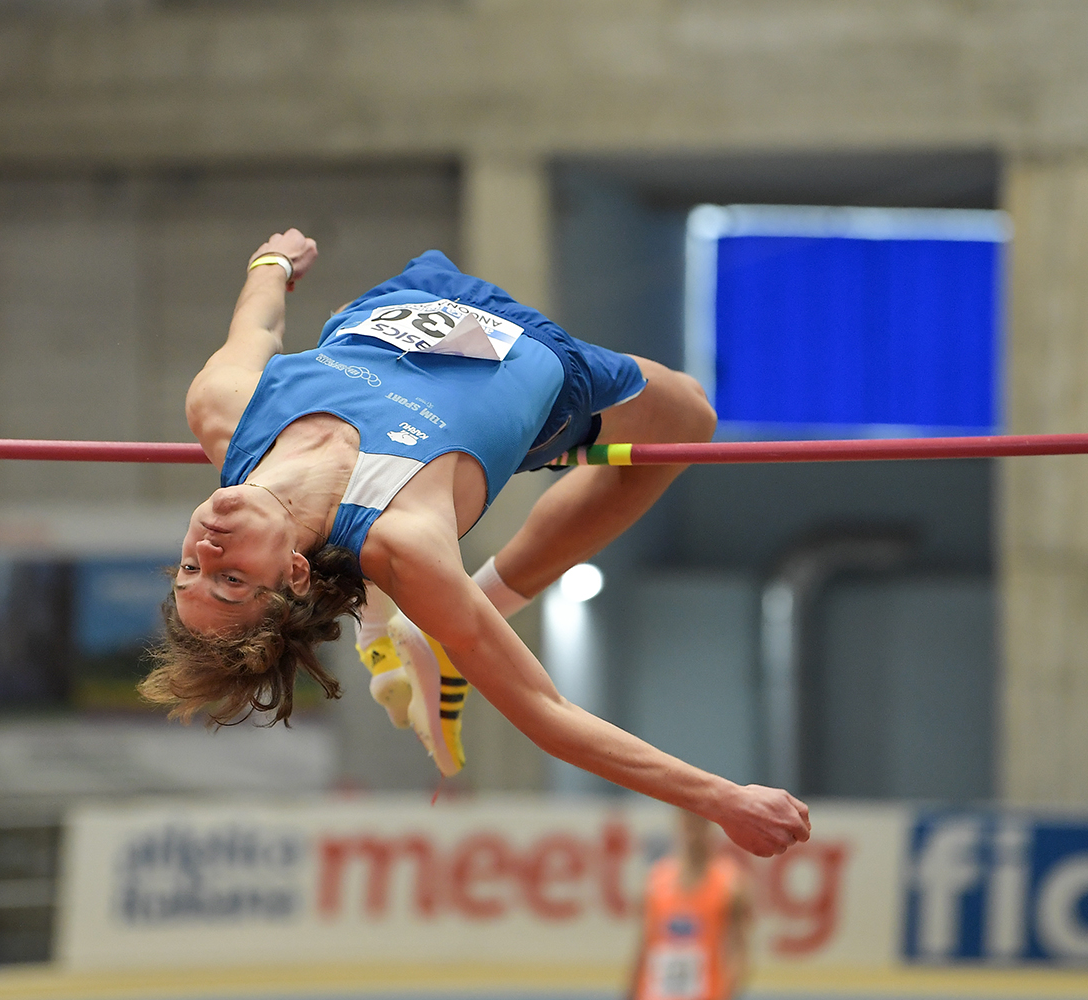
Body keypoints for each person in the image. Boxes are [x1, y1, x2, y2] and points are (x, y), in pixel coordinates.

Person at [141, 228, 809, 858]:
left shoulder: (224, 410)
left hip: (409, 299)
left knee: (340, 323)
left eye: (191, 567)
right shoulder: (402, 537)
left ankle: (404, 624)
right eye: (230, 580)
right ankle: (457, 614)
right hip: (544, 367)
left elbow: (258, 327)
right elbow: (545, 711)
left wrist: (273, 263)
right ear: (292, 574)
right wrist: (721, 798)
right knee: (691, 417)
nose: (208, 547)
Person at [628, 810, 753, 1000]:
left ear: (709, 825)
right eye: (687, 820)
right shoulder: (656, 880)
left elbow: (738, 952)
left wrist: (727, 992)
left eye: (699, 821)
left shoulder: (730, 884)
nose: (693, 829)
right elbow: (644, 946)